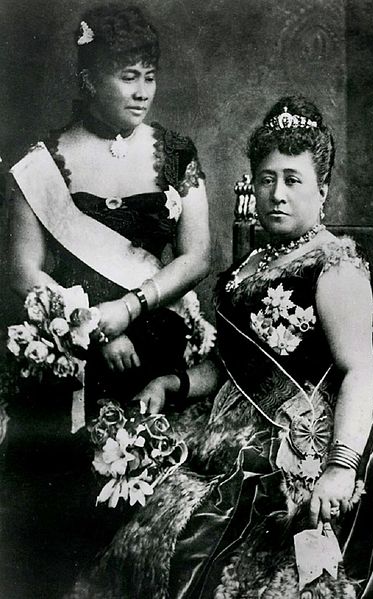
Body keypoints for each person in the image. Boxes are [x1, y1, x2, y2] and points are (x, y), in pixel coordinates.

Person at [69, 96, 373, 599]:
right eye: (267, 179)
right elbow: (228, 365)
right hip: (223, 432)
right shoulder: (245, 269)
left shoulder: (333, 266)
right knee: (145, 531)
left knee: (217, 556)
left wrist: (340, 468)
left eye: (293, 180)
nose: (277, 194)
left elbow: (358, 370)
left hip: (291, 444)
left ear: (323, 190)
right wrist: (174, 381)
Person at [2, 4, 213, 597]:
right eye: (128, 75)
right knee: (54, 536)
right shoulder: (44, 159)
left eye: (150, 75)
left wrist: (129, 310)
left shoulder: (176, 153)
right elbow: (22, 272)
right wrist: (93, 324)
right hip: (72, 357)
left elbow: (194, 258)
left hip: (150, 353)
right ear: (89, 77)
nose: (143, 91)